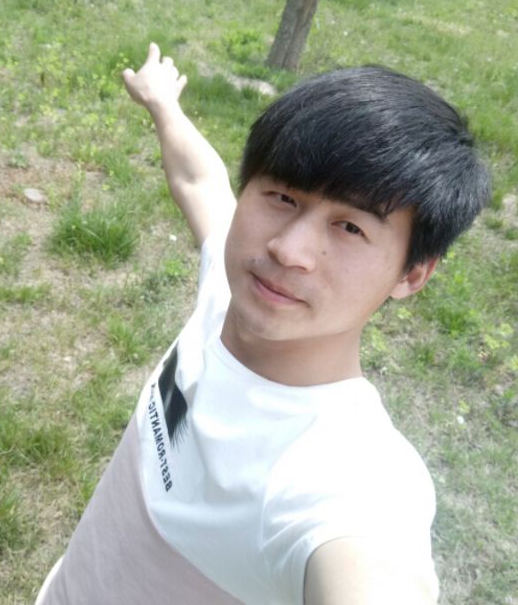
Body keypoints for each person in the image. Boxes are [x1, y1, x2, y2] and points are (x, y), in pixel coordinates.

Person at [36, 43, 489, 605]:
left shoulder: (347, 482)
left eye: (350, 228)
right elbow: (200, 181)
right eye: (282, 196)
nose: (287, 249)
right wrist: (162, 103)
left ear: (413, 273)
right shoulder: (228, 292)